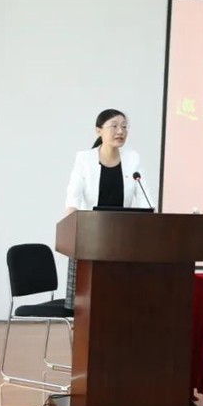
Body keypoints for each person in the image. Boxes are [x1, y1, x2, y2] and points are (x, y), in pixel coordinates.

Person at [63, 108, 154, 308]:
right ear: (99, 131)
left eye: (124, 127)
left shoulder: (132, 158)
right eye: (114, 126)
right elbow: (73, 195)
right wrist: (70, 224)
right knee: (85, 300)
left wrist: (148, 221)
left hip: (122, 236)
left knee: (118, 296)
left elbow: (143, 197)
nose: (120, 131)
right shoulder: (84, 159)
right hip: (90, 235)